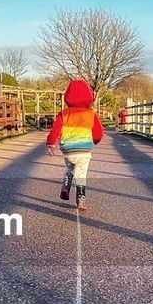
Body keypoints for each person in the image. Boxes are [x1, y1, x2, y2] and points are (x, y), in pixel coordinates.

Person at [46, 78, 104, 211]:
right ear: (88, 96)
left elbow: (55, 129)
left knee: (69, 168)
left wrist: (51, 144)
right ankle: (81, 200)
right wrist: (94, 141)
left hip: (68, 148)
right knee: (81, 174)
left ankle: (66, 187)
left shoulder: (64, 114)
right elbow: (98, 133)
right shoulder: (91, 114)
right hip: (84, 150)